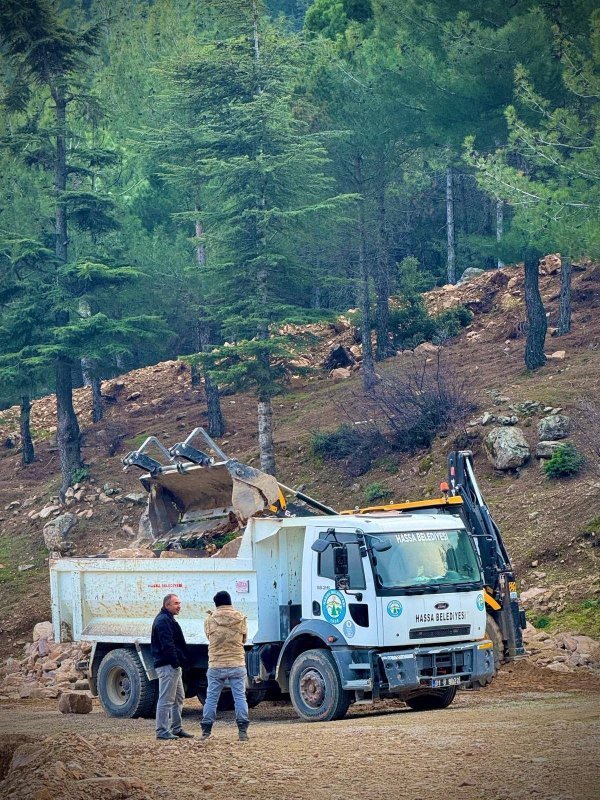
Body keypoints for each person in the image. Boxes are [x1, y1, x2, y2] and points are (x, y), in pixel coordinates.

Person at [201, 590, 250, 742]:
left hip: (216, 664)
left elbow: (209, 637)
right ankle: (242, 732)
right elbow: (244, 638)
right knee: (240, 697)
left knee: (211, 698)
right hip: (236, 663)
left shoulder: (209, 620)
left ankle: (206, 731)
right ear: (230, 602)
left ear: (216, 604)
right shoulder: (241, 618)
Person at [150, 593, 194, 740]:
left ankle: (176, 728)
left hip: (172, 665)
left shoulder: (168, 619)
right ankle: (161, 731)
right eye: (175, 603)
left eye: (179, 603)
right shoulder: (163, 621)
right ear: (166, 605)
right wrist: (175, 663)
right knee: (166, 699)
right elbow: (167, 645)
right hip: (167, 665)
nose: (179, 606)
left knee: (178, 697)